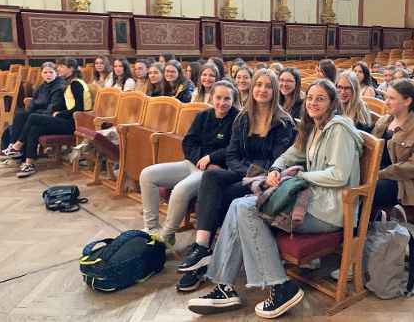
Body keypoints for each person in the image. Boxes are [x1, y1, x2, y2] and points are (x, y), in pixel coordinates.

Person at [187, 78, 363, 318]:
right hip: (312, 201)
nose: (313, 103)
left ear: (332, 103)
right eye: (310, 98)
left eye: (320, 99)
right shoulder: (315, 127)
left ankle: (280, 287)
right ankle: (225, 287)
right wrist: (276, 169)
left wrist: (303, 175)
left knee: (245, 208)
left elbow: (339, 175)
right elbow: (291, 154)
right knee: (239, 204)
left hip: (329, 210)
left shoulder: (339, 128)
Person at [178, 69, 295, 280]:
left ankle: (212, 260)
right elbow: (232, 155)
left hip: (266, 178)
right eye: (258, 85)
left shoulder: (284, 122)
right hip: (243, 173)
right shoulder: (243, 117)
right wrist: (244, 172)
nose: (262, 89)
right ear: (252, 88)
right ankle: (202, 246)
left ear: (275, 90)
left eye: (268, 86)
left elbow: (277, 161)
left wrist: (250, 173)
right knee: (211, 177)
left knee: (221, 196)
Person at [140, 81, 239, 258]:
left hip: (212, 173)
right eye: (218, 97)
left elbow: (234, 148)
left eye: (227, 99)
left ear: (233, 100)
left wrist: (211, 159)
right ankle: (152, 229)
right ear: (211, 97)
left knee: (180, 189)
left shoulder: (238, 120)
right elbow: (189, 142)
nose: (221, 103)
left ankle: (167, 235)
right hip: (192, 163)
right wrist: (200, 158)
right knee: (147, 174)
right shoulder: (203, 115)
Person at [0, 58, 92, 178]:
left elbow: (79, 108)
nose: (58, 69)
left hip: (74, 123)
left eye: (61, 66)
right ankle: (28, 164)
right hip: (68, 119)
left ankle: (16, 146)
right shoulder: (69, 83)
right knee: (34, 128)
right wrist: (59, 111)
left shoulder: (76, 84)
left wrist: (60, 114)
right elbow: (68, 105)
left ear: (71, 69)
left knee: (33, 117)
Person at [371, 79, 414, 210]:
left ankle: (364, 224)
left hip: (400, 182)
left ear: (407, 101)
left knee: (363, 190)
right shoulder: (384, 121)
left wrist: (381, 173)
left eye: (391, 98)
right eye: (386, 97)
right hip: (376, 173)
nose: (386, 102)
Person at [0, 62, 66, 169]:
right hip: (37, 114)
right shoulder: (41, 86)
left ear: (56, 73)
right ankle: (13, 152)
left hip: (49, 117)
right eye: (45, 72)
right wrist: (29, 113)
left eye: (51, 72)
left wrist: (32, 114)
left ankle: (16, 156)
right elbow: (33, 103)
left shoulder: (59, 87)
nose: (48, 75)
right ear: (41, 73)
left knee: (27, 124)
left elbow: (52, 108)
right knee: (16, 121)